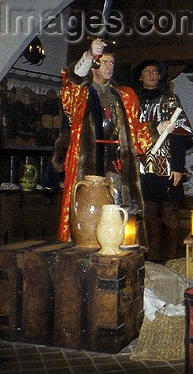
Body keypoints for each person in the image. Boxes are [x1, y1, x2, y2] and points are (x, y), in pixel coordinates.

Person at [57, 39, 152, 242]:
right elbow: (73, 80)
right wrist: (89, 55)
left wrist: (156, 130)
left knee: (119, 215)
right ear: (94, 66)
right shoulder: (80, 94)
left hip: (116, 165)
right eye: (105, 62)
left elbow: (134, 133)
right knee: (89, 215)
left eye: (112, 63)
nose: (110, 67)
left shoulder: (124, 95)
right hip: (88, 165)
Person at [133, 60, 193, 264]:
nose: (151, 74)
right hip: (141, 165)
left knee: (170, 214)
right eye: (147, 71)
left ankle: (172, 258)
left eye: (155, 71)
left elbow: (179, 133)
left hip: (166, 165)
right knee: (148, 214)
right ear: (140, 77)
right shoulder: (133, 101)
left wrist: (177, 166)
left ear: (160, 77)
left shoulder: (170, 99)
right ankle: (153, 259)